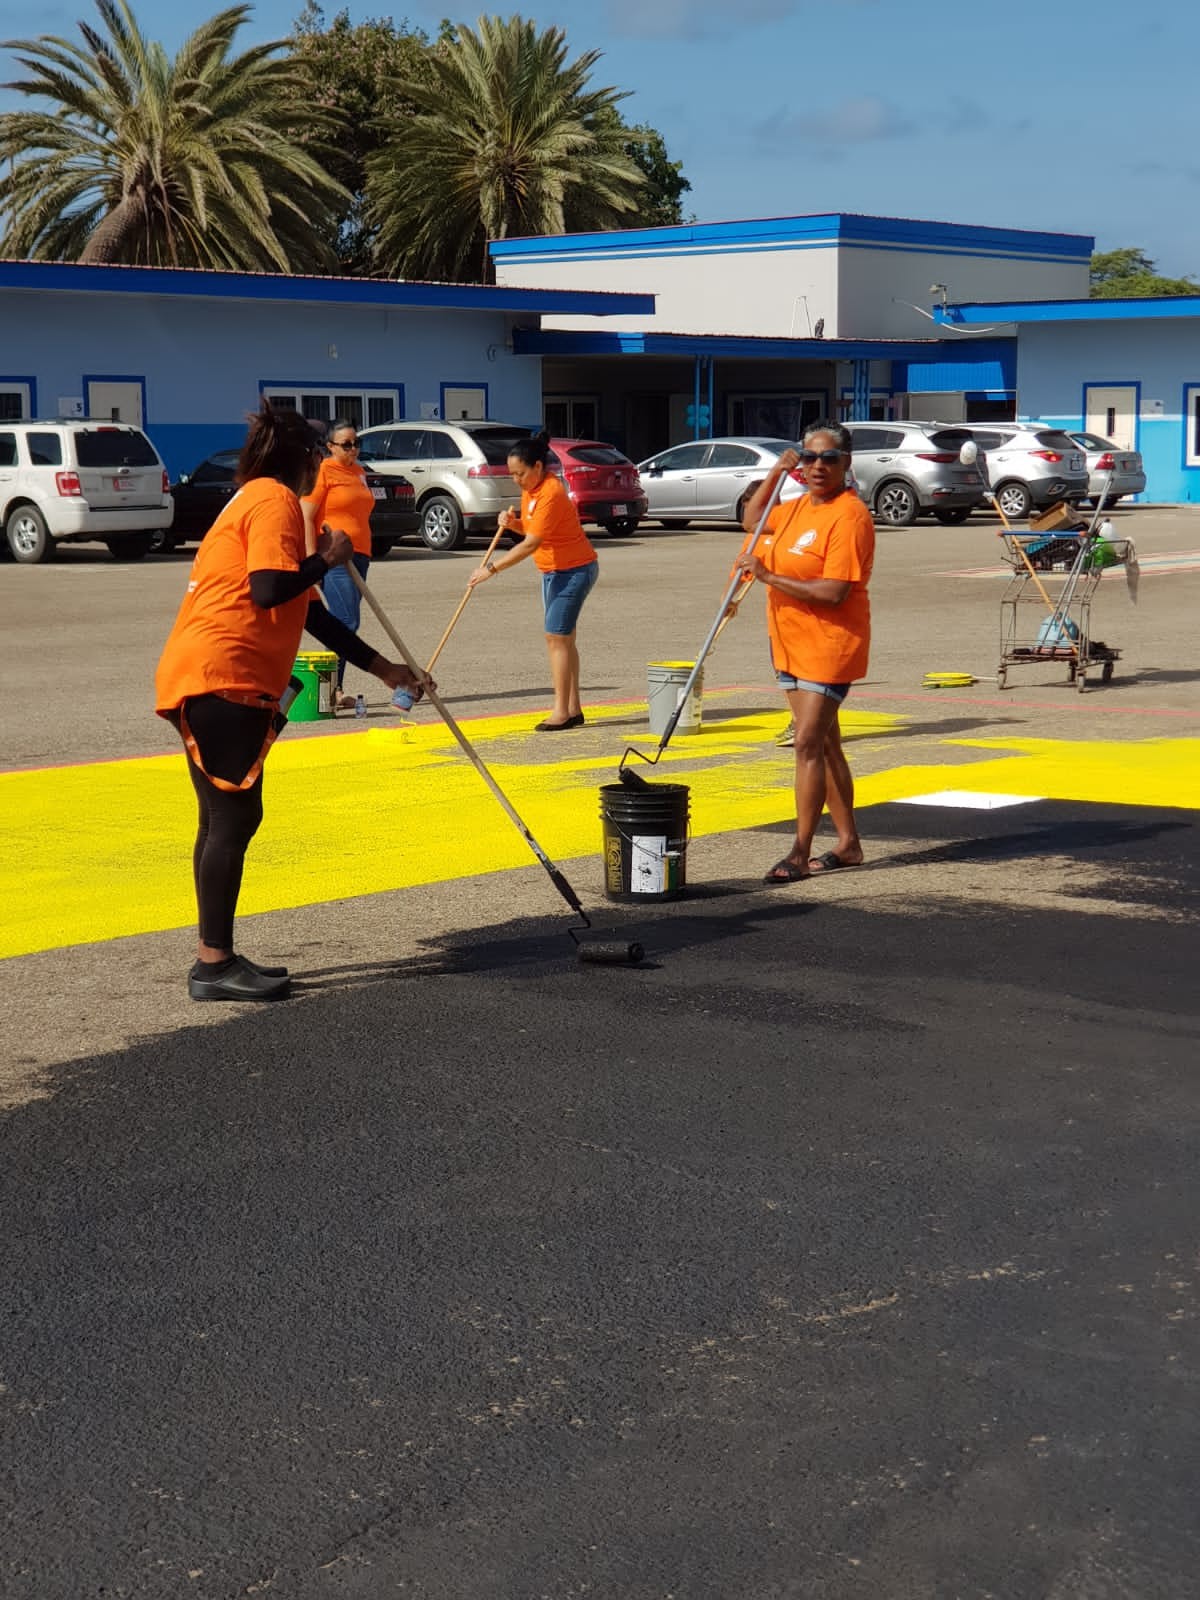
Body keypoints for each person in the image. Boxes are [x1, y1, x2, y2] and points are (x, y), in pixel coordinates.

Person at [155, 401, 427, 1002]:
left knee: (221, 818)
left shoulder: (254, 498)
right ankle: (213, 964)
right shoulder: (272, 500)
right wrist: (326, 559)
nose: (320, 469)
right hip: (223, 674)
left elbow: (307, 613)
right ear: (304, 459)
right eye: (319, 456)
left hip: (209, 674)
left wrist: (386, 670)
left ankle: (214, 956)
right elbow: (271, 587)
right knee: (233, 817)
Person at [735, 420, 875, 884]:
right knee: (826, 743)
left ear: (846, 463)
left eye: (828, 458)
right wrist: (776, 471)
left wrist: (768, 576)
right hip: (789, 641)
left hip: (830, 645)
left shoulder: (849, 515)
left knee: (807, 743)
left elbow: (834, 591)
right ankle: (849, 844)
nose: (817, 466)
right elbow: (752, 520)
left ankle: (799, 850)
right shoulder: (795, 508)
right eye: (809, 457)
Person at [466, 432, 598, 731]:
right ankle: (573, 708)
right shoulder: (532, 491)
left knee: (556, 638)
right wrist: (512, 523)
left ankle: (561, 711)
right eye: (512, 474)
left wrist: (492, 569)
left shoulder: (550, 492)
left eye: (520, 473)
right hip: (553, 571)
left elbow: (531, 543)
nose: (516, 480)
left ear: (538, 466)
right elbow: (530, 529)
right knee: (563, 638)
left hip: (574, 570)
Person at [301, 417, 411, 715]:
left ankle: (334, 689)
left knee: (347, 621)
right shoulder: (324, 471)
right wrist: (313, 562)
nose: (353, 450)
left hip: (360, 555)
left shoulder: (359, 472)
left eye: (356, 444)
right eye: (346, 445)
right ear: (330, 447)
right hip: (335, 558)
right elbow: (306, 515)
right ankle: (331, 690)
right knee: (344, 622)